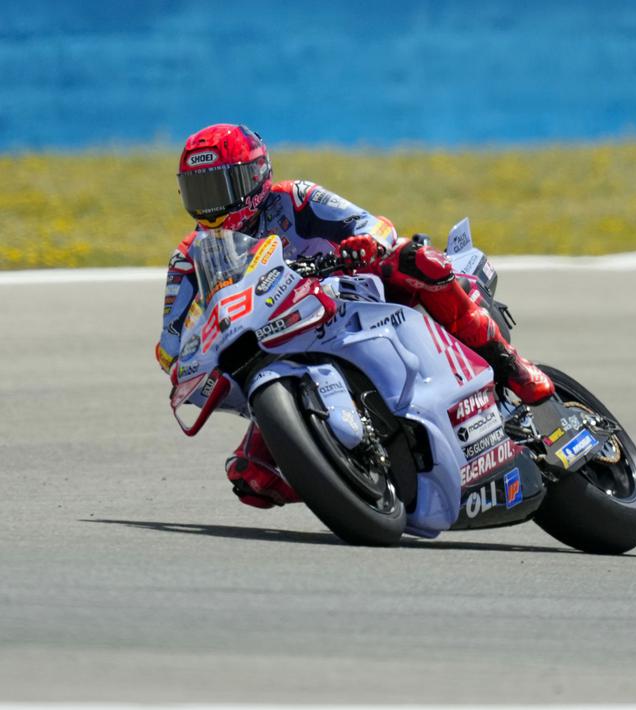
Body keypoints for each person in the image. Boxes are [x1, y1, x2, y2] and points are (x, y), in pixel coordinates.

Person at [156, 123, 557, 509]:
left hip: (347, 296)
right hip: (275, 343)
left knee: (418, 261)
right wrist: (180, 361)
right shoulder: (189, 257)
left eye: (220, 187)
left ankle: (509, 364)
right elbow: (172, 341)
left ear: (255, 176)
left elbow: (372, 223)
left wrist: (365, 243)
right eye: (199, 190)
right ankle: (346, 480)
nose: (212, 203)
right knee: (252, 479)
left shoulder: (294, 198)